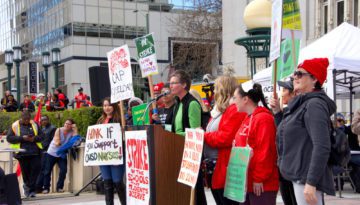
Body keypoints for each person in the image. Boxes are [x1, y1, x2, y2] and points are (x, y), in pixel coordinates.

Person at [277, 58, 336, 205]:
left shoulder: (314, 104)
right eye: (294, 73)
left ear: (314, 79)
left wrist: (311, 182)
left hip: (305, 178)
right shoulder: (303, 103)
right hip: (298, 175)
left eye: (299, 74)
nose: (294, 77)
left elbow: (322, 146)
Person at [233, 83, 279, 205]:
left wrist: (259, 178)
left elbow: (266, 151)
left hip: (262, 184)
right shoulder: (249, 117)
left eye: (235, 98)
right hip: (247, 181)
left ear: (245, 99)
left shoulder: (263, 119)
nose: (233, 102)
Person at [203, 75, 246, 204]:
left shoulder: (234, 109)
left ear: (224, 90)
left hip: (225, 166)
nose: (214, 92)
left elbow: (226, 138)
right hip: (216, 166)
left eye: (216, 88)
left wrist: (203, 135)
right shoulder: (221, 110)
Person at [169, 69, 207, 205]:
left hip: (190, 154)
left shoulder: (191, 104)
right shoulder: (177, 104)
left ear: (184, 85)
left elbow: (196, 133)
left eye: (174, 83)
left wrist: (174, 136)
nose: (171, 86)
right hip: (178, 150)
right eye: (170, 83)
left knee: (195, 193)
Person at [269, 80, 298, 205]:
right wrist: (277, 112)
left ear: (293, 94)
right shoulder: (287, 112)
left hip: (295, 168)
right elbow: (280, 132)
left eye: (284, 90)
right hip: (284, 167)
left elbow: (287, 134)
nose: (281, 94)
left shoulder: (298, 111)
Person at [6, 111, 45, 198]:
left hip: (35, 152)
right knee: (26, 172)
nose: (27, 121)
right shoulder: (15, 125)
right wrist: (22, 138)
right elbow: (9, 138)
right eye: (25, 119)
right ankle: (28, 188)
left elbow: (42, 136)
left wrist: (34, 139)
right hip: (22, 153)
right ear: (21, 118)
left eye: (28, 119)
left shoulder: (34, 124)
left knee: (36, 169)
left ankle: (31, 189)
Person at [96, 97, 126, 205]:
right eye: (104, 105)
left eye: (109, 105)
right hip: (104, 156)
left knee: (117, 181)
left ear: (114, 106)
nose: (106, 108)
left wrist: (124, 129)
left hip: (116, 155)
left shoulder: (120, 119)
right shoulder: (100, 120)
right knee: (107, 183)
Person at [42, 119, 77, 194]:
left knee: (64, 170)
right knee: (47, 171)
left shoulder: (71, 132)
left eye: (69, 124)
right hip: (52, 153)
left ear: (72, 126)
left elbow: (76, 138)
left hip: (61, 154)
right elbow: (57, 141)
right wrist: (65, 144)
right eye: (66, 123)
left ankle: (59, 187)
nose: (66, 125)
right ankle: (46, 188)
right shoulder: (58, 130)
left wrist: (75, 129)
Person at [35, 115, 57, 193]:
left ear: (48, 120)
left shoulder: (53, 128)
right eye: (42, 120)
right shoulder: (41, 129)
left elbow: (52, 141)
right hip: (41, 151)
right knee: (41, 169)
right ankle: (38, 187)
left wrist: (45, 148)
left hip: (48, 151)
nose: (43, 121)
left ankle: (45, 187)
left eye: (45, 120)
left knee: (46, 170)